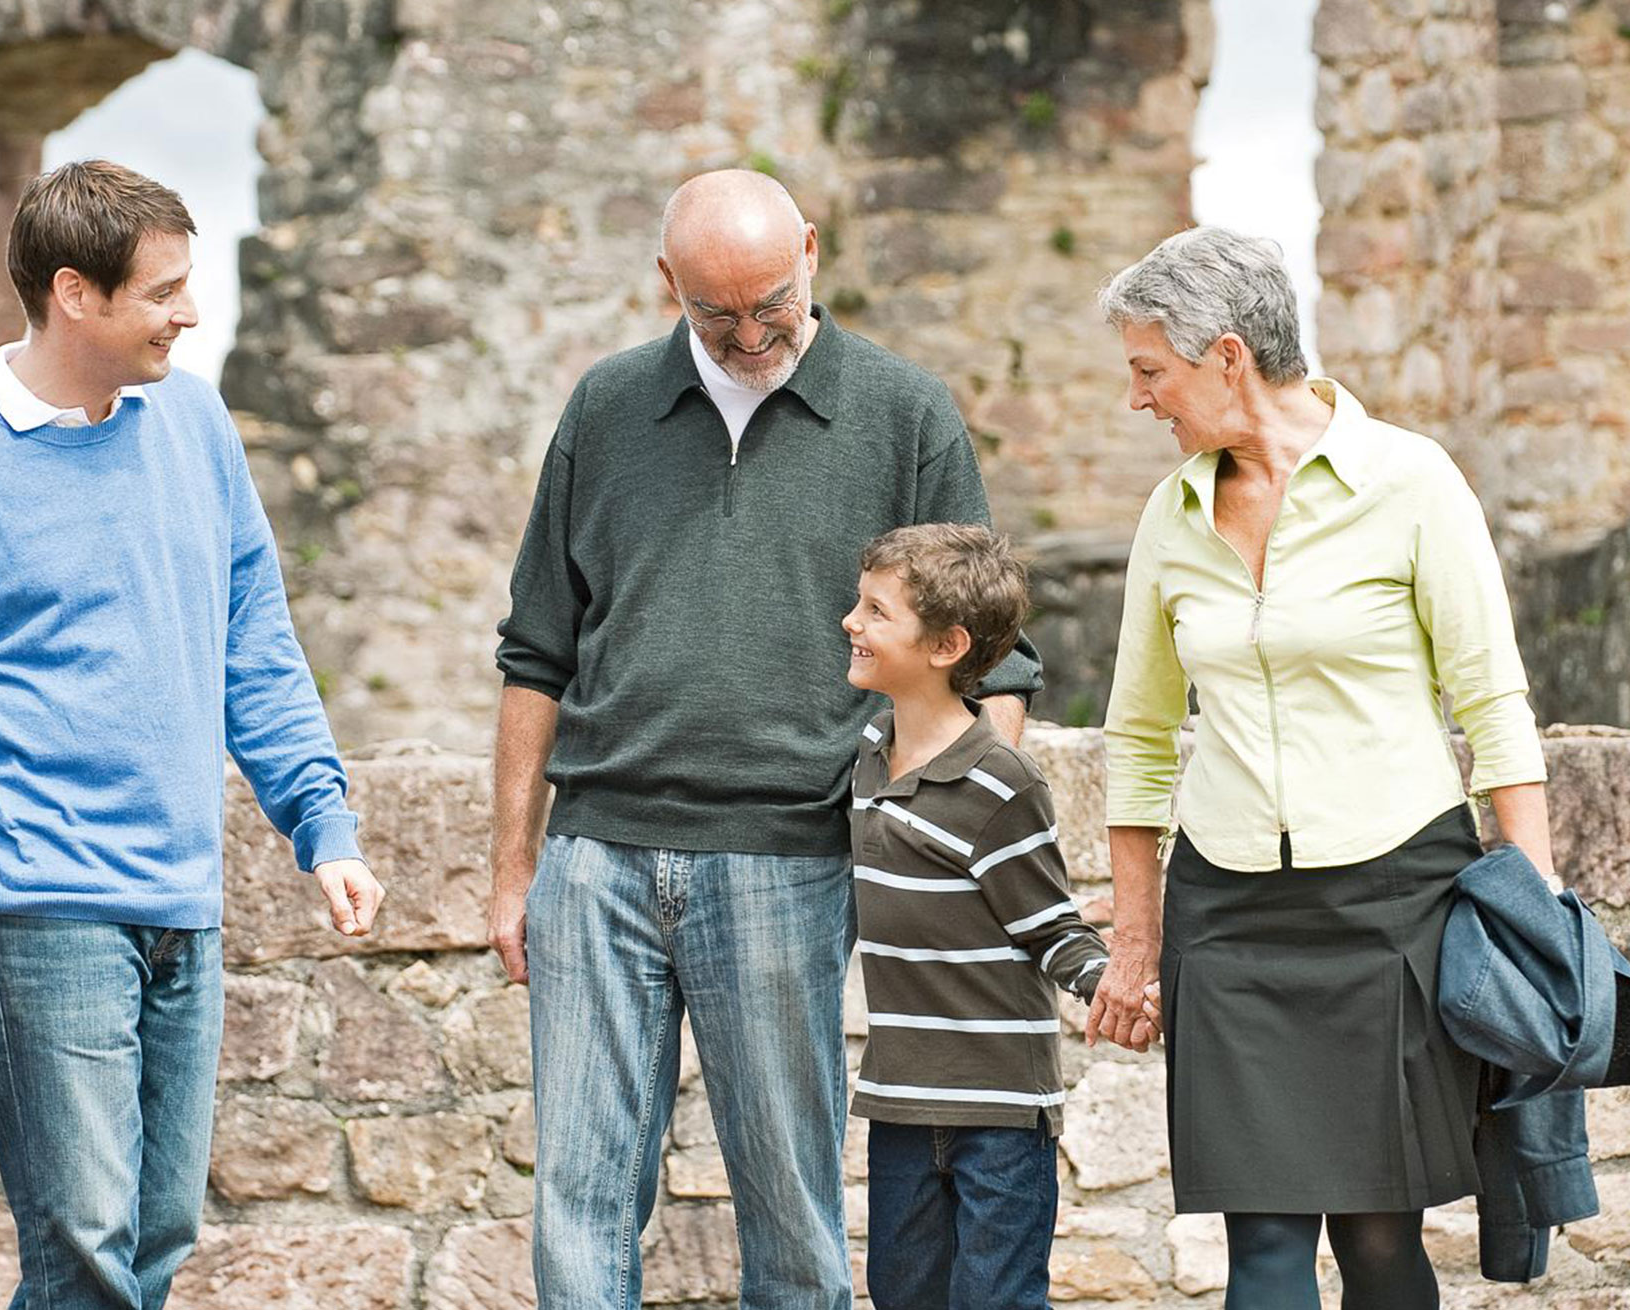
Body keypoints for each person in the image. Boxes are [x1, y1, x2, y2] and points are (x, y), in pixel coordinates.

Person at [0, 159, 384, 1310]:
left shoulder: (193, 417)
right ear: (75, 294)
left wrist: (319, 819)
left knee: (158, 1233)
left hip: (180, 894)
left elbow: (255, 642)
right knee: (85, 1244)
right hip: (36, 907)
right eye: (165, 291)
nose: (190, 312)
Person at [490, 168, 1042, 1308]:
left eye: (770, 302)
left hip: (794, 859)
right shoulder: (603, 408)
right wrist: (514, 870)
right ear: (667, 286)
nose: (748, 334)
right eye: (715, 312)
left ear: (809, 250)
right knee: (579, 1203)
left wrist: (964, 864)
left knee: (791, 1212)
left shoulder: (905, 410)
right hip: (596, 858)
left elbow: (988, 664)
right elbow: (535, 649)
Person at [1084, 226, 1553, 1310]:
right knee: (1261, 1248)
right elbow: (1140, 733)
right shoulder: (1173, 511)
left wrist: (1537, 906)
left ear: (1227, 357)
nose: (1138, 399)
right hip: (1232, 918)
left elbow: (1492, 702)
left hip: (1392, 905)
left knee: (1382, 1242)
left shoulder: (1410, 481)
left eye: (1150, 371)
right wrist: (1139, 938)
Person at [840, 523, 1129, 1310]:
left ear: (946, 647)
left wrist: (1114, 984)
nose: (850, 623)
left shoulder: (1000, 785)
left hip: (1000, 1113)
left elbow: (1049, 928)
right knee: (902, 1296)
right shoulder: (866, 754)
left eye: (875, 611)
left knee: (996, 1300)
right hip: (900, 1102)